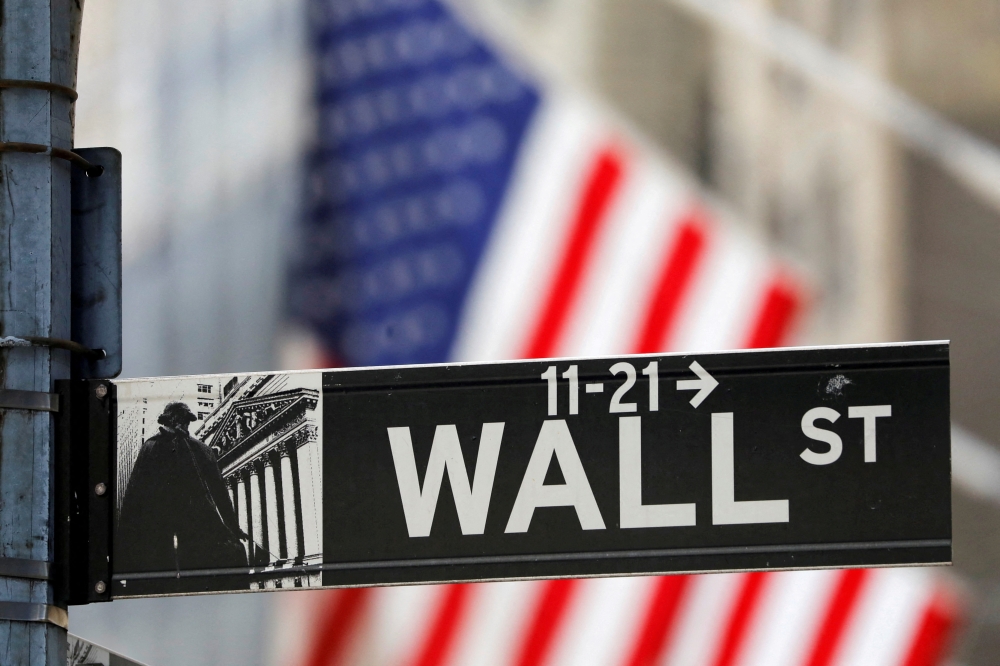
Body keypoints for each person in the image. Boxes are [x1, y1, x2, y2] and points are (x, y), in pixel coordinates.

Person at [116, 401, 249, 589]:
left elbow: (220, 493)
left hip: (190, 526)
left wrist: (233, 527)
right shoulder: (153, 447)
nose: (183, 426)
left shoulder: (199, 450)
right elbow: (133, 496)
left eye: (185, 422)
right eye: (181, 421)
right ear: (172, 421)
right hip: (162, 528)